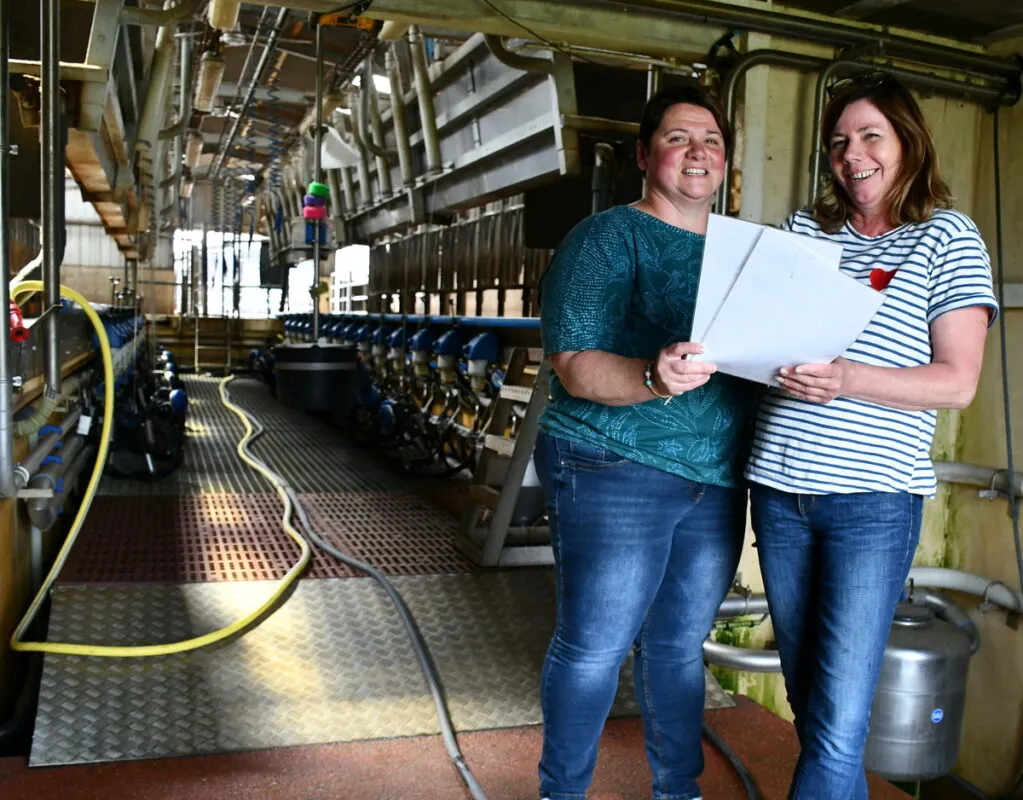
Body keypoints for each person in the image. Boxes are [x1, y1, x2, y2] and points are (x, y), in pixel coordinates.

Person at [746, 72, 997, 799]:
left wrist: (846, 377)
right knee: (817, 708)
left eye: (869, 136)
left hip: (871, 501)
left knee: (835, 721)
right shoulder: (803, 233)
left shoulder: (945, 237)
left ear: (907, 143)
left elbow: (955, 382)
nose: (851, 154)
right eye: (837, 143)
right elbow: (766, 351)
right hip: (780, 489)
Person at [533, 84, 759, 800]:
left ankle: (677, 792)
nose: (697, 152)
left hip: (715, 476)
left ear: (725, 161)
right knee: (595, 648)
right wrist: (652, 376)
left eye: (711, 142)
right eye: (677, 138)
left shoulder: (745, 252)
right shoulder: (605, 237)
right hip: (612, 465)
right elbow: (572, 363)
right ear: (643, 154)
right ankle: (561, 792)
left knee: (676, 649)